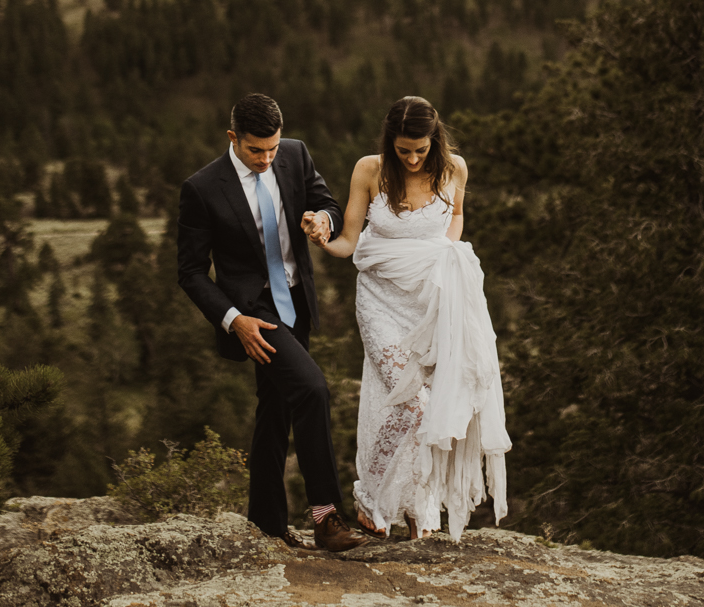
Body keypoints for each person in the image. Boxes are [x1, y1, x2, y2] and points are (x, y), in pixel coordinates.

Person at [311, 95, 509, 541]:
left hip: (432, 301)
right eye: (404, 151)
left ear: (434, 140)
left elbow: (454, 220)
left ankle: (414, 509)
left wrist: (444, 259)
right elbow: (348, 240)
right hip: (380, 300)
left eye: (421, 149)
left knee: (424, 401)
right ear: (390, 143)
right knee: (414, 403)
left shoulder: (454, 168)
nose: (414, 158)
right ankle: (372, 498)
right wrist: (323, 239)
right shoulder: (369, 170)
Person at [176, 93, 367, 551]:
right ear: (232, 138)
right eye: (255, 150)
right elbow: (190, 272)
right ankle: (325, 518)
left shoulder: (295, 154)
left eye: (272, 149)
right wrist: (232, 319)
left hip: (296, 302)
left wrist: (323, 220)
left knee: (275, 407)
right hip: (252, 312)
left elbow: (328, 202)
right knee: (312, 389)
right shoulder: (202, 188)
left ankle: (265, 522)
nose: (266, 159)